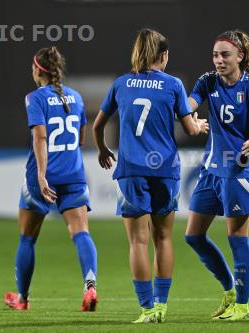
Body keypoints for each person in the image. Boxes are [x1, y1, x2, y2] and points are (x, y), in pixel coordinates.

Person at [92, 28, 208, 323]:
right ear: (164, 56)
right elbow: (191, 129)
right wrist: (200, 125)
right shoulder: (173, 85)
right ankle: (161, 306)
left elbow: (97, 125)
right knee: (164, 237)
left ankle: (145, 309)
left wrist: (103, 149)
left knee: (138, 242)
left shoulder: (121, 84)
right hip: (166, 170)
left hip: (132, 169)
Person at [185, 30, 249, 321]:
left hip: (237, 171)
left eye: (225, 54)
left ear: (240, 56)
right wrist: (187, 116)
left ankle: (243, 305)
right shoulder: (207, 81)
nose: (219, 60)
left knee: (237, 237)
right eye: (215, 54)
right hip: (210, 170)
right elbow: (187, 107)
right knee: (193, 236)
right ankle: (229, 291)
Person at [4, 46, 98, 312]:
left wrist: (43, 177)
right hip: (73, 174)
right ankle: (90, 286)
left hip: (42, 178)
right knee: (81, 233)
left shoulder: (35, 98)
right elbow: (80, 140)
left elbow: (40, 137)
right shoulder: (76, 98)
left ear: (37, 70)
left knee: (27, 238)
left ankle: (22, 299)